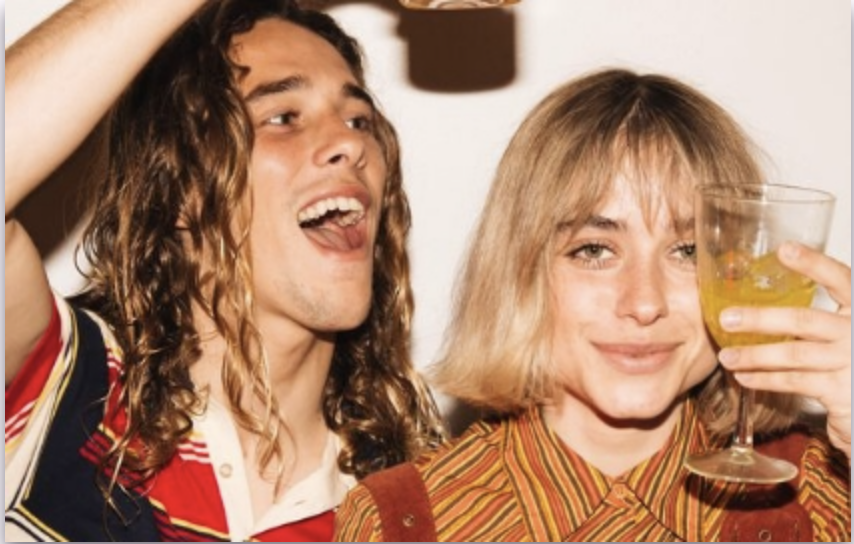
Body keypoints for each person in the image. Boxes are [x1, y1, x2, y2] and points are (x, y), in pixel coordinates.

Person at [334, 68, 851, 542]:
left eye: (688, 252)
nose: (644, 303)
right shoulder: (402, 523)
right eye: (595, 251)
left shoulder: (823, 496)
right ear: (519, 272)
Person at [5, 0, 444, 541]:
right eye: (283, 118)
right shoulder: (69, 391)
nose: (352, 144)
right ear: (180, 183)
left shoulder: (411, 512)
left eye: (359, 121)